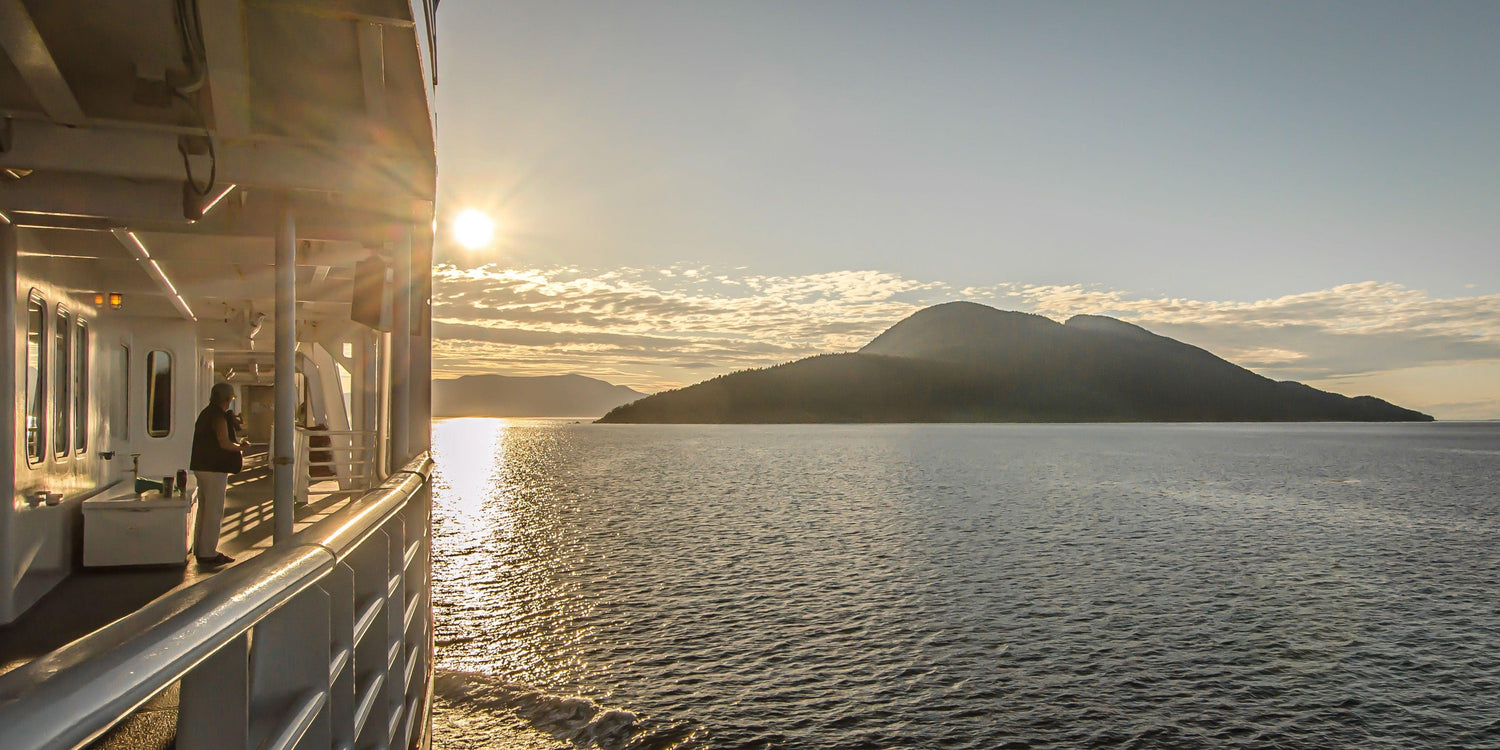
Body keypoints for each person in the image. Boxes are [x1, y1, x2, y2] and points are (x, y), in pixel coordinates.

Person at [190, 383, 249, 566]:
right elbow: (224, 442)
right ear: (226, 400)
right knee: (213, 511)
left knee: (204, 509)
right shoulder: (218, 417)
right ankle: (208, 552)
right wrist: (241, 447)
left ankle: (200, 548)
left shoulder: (205, 414)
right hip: (214, 469)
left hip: (201, 467)